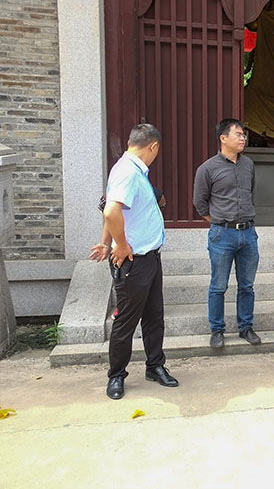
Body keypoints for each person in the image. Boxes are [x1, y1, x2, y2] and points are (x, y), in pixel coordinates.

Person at [98, 123, 178, 400]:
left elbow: (114, 209)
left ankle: (155, 366)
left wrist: (105, 242)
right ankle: (116, 375)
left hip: (150, 257)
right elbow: (111, 212)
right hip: (134, 261)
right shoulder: (128, 172)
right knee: (126, 321)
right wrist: (120, 244)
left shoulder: (131, 170)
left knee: (154, 317)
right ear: (153, 146)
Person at [193, 118, 261, 349]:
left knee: (247, 285)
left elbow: (251, 193)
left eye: (244, 135)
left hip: (248, 233)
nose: (243, 138)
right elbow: (200, 203)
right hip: (222, 234)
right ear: (223, 138)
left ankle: (246, 327)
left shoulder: (248, 164)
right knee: (218, 285)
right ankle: (217, 330)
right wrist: (218, 221)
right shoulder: (207, 168)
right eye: (238, 134)